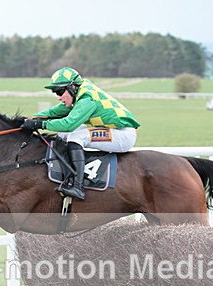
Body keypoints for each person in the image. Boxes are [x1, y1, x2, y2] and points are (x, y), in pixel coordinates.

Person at [20, 67, 141, 200]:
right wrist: (30, 119)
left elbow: (68, 124)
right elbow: (54, 113)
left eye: (60, 91)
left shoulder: (86, 99)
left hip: (123, 134)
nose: (59, 97)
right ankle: (66, 174)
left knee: (76, 136)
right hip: (113, 130)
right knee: (63, 136)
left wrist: (40, 124)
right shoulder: (79, 93)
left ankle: (78, 186)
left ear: (72, 87)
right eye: (55, 93)